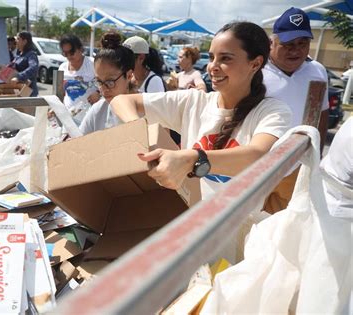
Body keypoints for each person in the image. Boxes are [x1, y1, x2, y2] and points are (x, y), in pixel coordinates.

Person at [110, 21, 292, 199]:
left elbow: (258, 156)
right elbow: (121, 101)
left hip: (242, 224)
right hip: (192, 220)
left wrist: (191, 159)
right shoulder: (193, 101)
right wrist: (140, 129)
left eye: (225, 58)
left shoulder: (272, 111)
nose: (212, 66)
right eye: (212, 57)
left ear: (255, 64)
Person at [262, 7, 329, 213]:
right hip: (257, 165)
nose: (296, 50)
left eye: (303, 44)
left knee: (282, 228)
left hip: (295, 168)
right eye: (288, 44)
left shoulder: (317, 71)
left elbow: (322, 114)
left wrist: (315, 159)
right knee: (243, 227)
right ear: (272, 43)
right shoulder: (255, 70)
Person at [79, 32, 135, 135]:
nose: (103, 89)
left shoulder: (148, 109)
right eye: (99, 81)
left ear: (129, 75)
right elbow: (78, 143)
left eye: (110, 82)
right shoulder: (98, 111)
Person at [58, 34, 100, 124]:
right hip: (69, 117)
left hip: (91, 118)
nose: (69, 56)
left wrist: (98, 93)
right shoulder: (62, 68)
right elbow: (60, 93)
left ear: (80, 49)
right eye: (65, 53)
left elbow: (107, 82)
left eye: (71, 52)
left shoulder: (92, 63)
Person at [10, 31, 39, 97]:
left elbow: (34, 67)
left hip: (28, 92)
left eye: (18, 39)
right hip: (18, 91)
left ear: (24, 41)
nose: (15, 41)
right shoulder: (19, 55)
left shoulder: (31, 55)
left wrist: (19, 77)